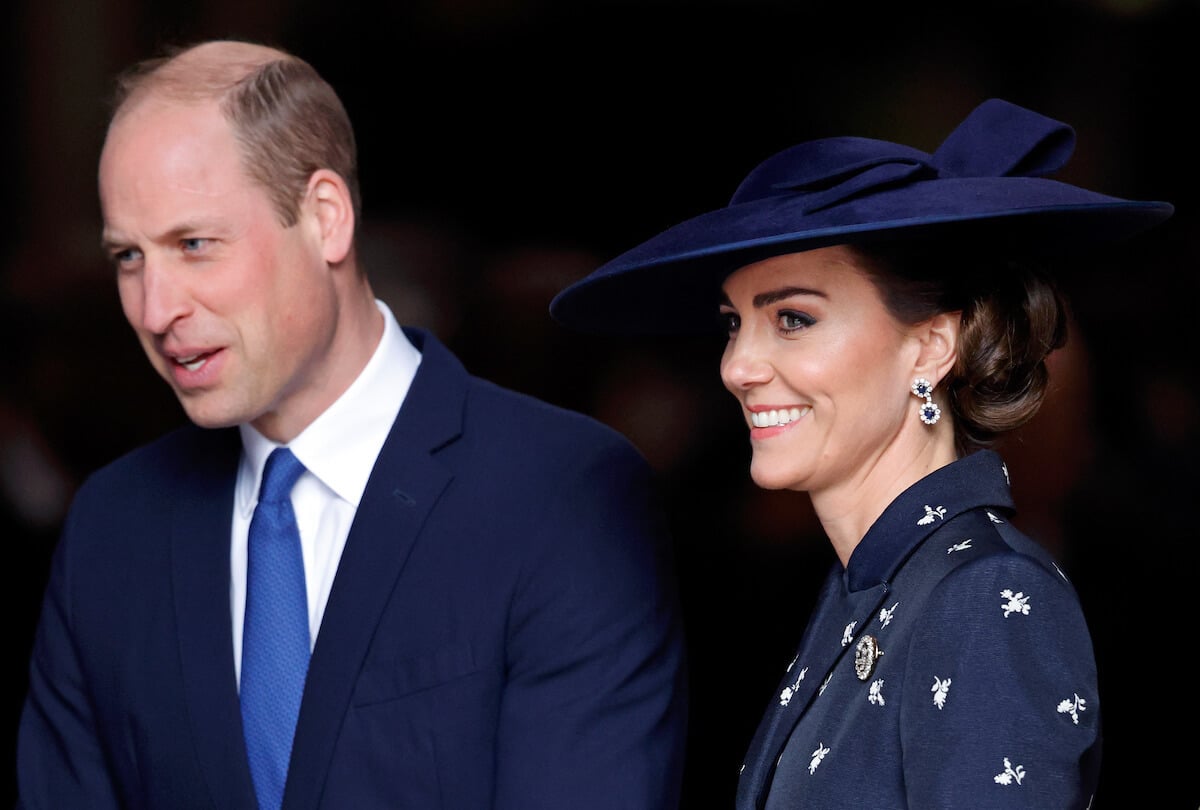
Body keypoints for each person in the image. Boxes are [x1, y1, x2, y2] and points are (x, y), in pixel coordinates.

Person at [16, 38, 688, 810]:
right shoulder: (112, 528)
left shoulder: (560, 497)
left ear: (326, 218)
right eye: (128, 258)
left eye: (194, 245)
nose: (154, 307)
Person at [550, 98, 1173, 809]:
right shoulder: (879, 583)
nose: (737, 366)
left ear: (933, 345)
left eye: (792, 318)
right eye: (734, 323)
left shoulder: (984, 595)